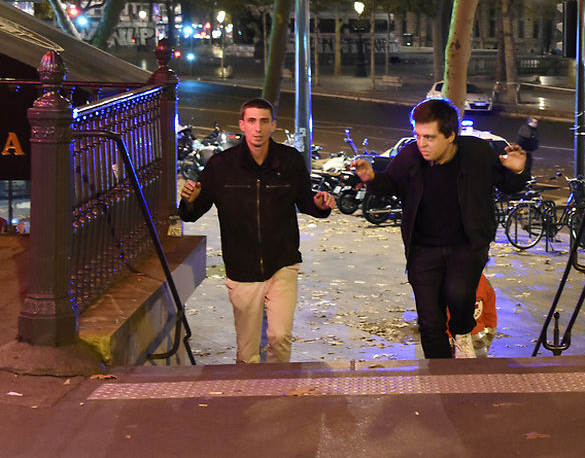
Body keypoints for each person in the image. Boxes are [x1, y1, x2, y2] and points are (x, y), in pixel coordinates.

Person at [350, 98, 527, 358]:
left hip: (466, 244)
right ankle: (441, 378)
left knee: (457, 294)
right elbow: (391, 183)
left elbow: (508, 185)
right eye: (418, 135)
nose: (422, 143)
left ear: (451, 136)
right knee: (430, 323)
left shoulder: (476, 153)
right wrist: (371, 178)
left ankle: (462, 333)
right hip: (423, 248)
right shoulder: (411, 155)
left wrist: (518, 170)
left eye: (430, 137)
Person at [178, 98, 333, 363]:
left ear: (273, 125)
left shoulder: (290, 161)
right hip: (242, 268)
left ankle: (278, 396)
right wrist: (189, 202)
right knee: (247, 351)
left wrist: (320, 205)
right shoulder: (220, 166)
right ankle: (248, 396)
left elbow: (305, 200)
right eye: (251, 121)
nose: (258, 128)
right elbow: (192, 213)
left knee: (279, 336)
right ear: (242, 125)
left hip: (282, 261)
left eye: (264, 121)